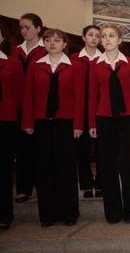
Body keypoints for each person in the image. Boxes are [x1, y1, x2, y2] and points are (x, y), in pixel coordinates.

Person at [22, 29, 85, 227]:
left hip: (66, 122)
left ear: (64, 44)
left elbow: (80, 98)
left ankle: (69, 214)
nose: (52, 43)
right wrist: (28, 122)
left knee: (66, 168)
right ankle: (48, 215)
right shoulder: (35, 66)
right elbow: (28, 95)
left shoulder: (75, 67)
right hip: (41, 122)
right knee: (45, 168)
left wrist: (78, 124)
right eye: (48, 40)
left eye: (57, 40)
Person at [89, 25, 130, 224]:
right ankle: (112, 210)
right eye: (103, 36)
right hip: (104, 118)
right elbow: (92, 96)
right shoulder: (95, 64)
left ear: (120, 40)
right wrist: (92, 123)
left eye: (111, 36)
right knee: (107, 164)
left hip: (128, 117)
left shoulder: (129, 63)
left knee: (128, 163)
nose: (107, 39)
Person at [12, 13, 47, 204]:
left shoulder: (46, 49)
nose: (24, 31)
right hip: (18, 103)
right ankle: (23, 189)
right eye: (21, 28)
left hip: (39, 103)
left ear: (38, 28)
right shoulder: (16, 50)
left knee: (40, 147)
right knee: (23, 148)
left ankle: (42, 186)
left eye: (27, 27)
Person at [70, 25, 103, 199]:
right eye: (90, 35)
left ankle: (101, 183)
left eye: (97, 36)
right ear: (83, 38)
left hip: (100, 107)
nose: (94, 38)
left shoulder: (104, 58)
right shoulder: (74, 59)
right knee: (82, 148)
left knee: (101, 148)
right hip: (80, 107)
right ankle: (86, 185)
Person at [0, 26, 24, 230]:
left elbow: (17, 94)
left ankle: (4, 214)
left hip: (6, 120)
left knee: (4, 168)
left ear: (1, 38)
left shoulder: (13, 63)